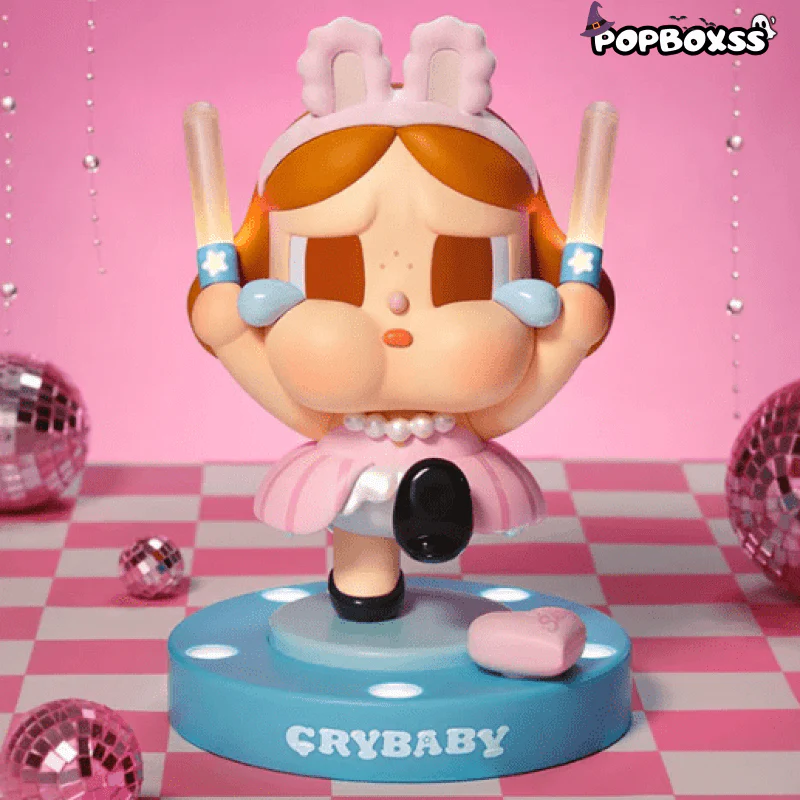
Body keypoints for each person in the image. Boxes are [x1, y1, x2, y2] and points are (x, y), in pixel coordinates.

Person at [187, 16, 614, 630]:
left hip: (451, 460)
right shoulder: (323, 402)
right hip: (349, 463)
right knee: (360, 544)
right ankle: (364, 587)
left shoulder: (476, 404)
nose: (395, 309)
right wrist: (231, 334)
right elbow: (277, 384)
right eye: (329, 269)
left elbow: (526, 387)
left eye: (465, 269)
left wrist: (569, 336)